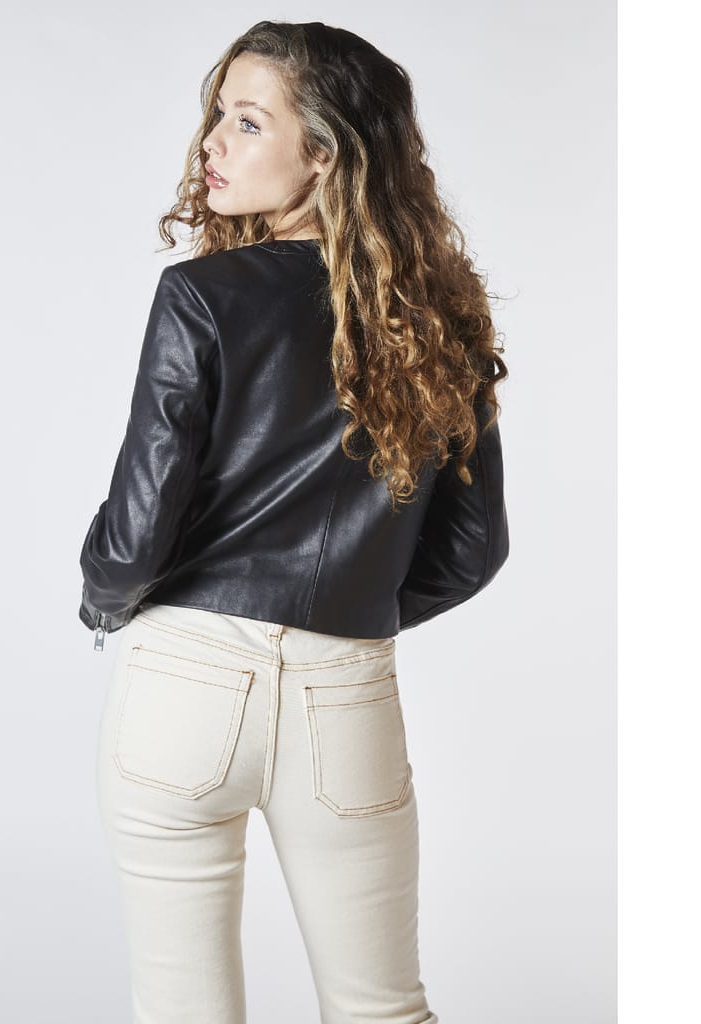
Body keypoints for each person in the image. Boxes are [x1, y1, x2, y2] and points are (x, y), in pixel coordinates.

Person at [78, 19, 509, 1024]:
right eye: (216, 116)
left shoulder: (200, 296)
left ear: (322, 152)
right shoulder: (442, 317)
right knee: (383, 1008)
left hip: (182, 686)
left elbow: (136, 535)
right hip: (345, 693)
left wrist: (102, 598)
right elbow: (472, 548)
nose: (210, 143)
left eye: (245, 121)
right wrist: (345, 609)